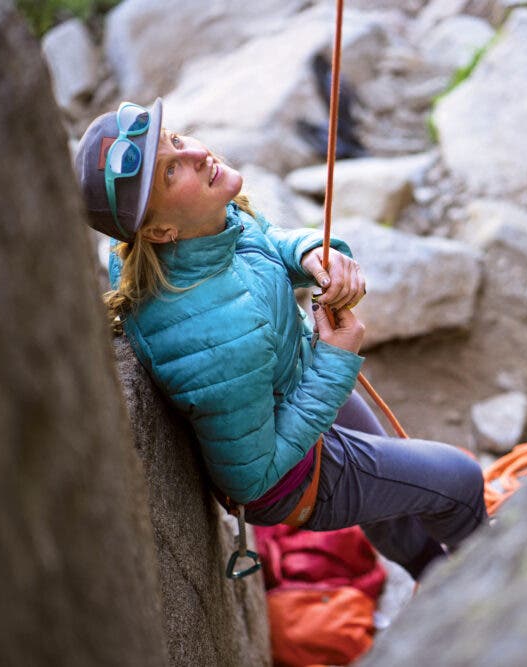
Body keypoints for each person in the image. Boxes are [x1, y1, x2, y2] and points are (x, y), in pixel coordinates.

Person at [74, 99, 487, 581]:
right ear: (161, 229)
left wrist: (311, 253)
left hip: (289, 378)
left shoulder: (186, 234)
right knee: (460, 481)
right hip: (295, 478)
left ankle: (427, 570)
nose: (196, 155)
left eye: (178, 141)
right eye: (171, 172)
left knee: (396, 491)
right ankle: (481, 590)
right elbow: (253, 479)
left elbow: (260, 237)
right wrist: (334, 361)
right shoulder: (219, 337)